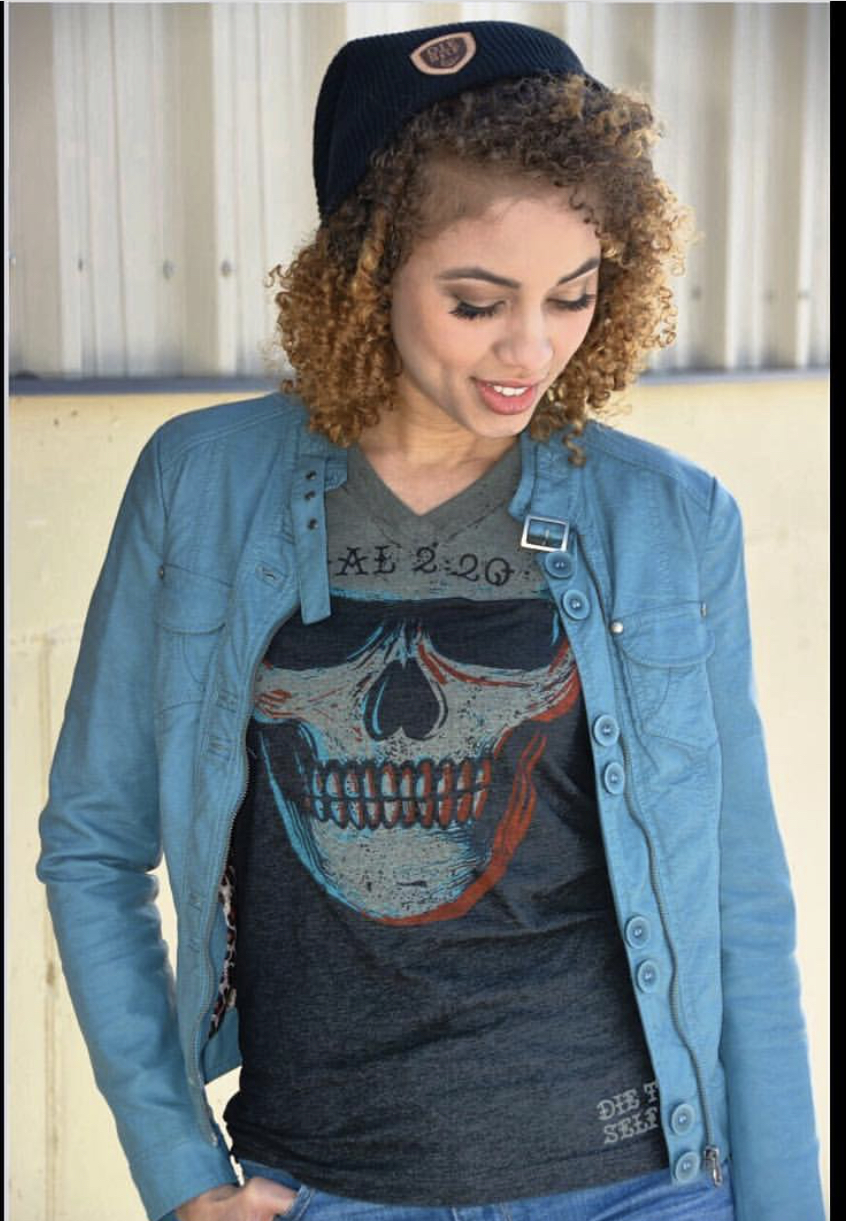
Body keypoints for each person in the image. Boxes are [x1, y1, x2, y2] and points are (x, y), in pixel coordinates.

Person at [35, 19, 825, 1221]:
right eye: (476, 302)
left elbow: (742, 907)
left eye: (574, 294)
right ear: (368, 273)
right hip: (326, 1186)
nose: (532, 348)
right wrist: (179, 1172)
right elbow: (95, 843)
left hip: (636, 1185)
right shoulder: (202, 487)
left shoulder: (667, 518)